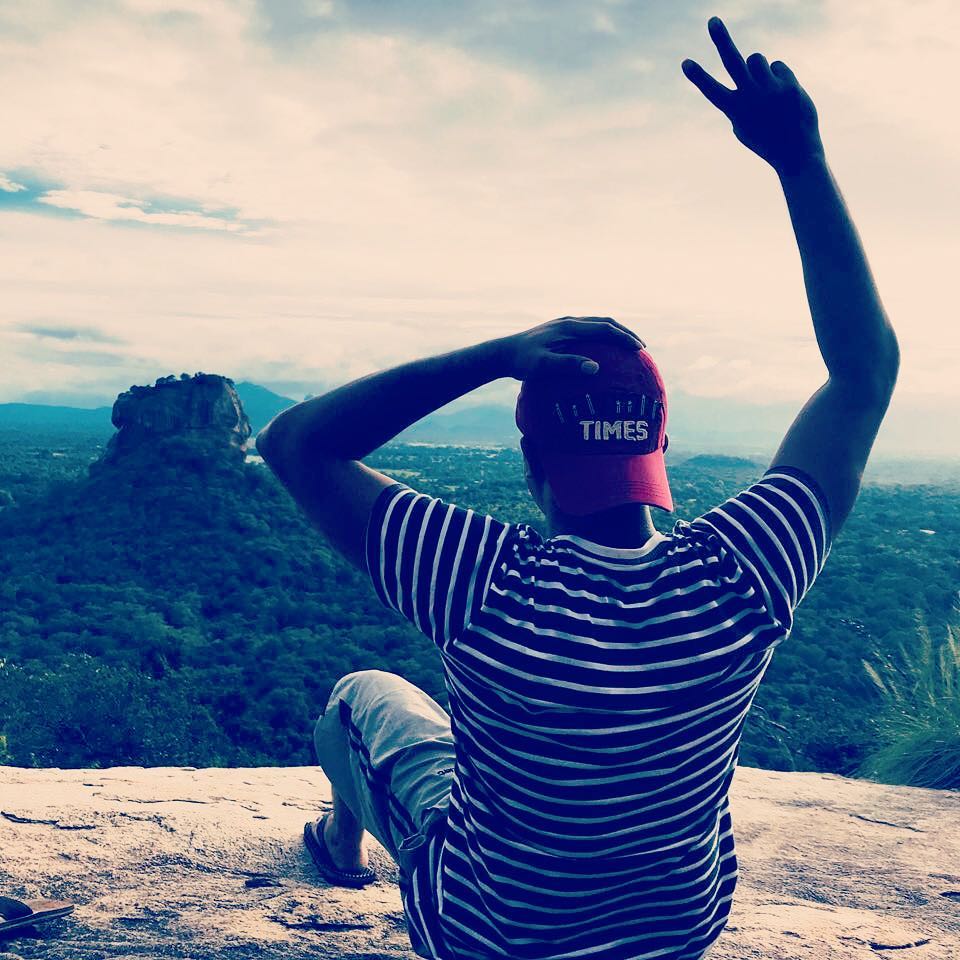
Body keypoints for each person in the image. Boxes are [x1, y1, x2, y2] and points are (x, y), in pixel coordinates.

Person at [256, 15, 899, 960]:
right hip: (674, 933)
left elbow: (295, 443)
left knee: (361, 696)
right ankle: (339, 838)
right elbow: (863, 375)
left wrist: (496, 355)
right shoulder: (744, 575)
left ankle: (334, 841)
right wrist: (798, 159)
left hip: (488, 937)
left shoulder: (483, 579)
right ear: (663, 444)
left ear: (530, 466)